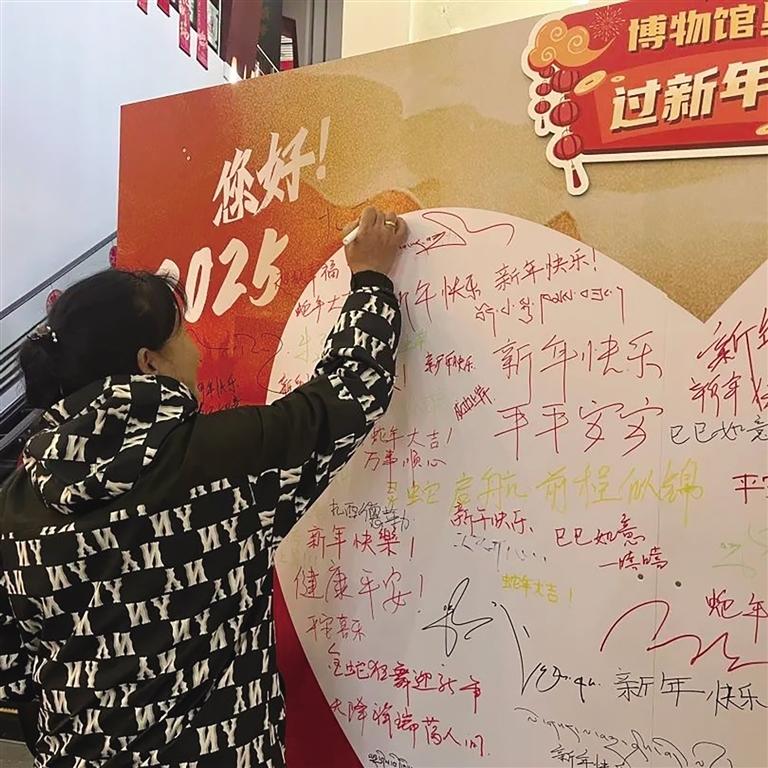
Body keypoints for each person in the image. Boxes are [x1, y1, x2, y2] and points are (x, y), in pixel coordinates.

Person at [0, 207, 407, 767]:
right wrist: (371, 280)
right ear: (149, 363)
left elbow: (13, 668)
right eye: (182, 334)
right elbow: (348, 393)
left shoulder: (15, 505)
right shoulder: (221, 463)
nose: (195, 349)